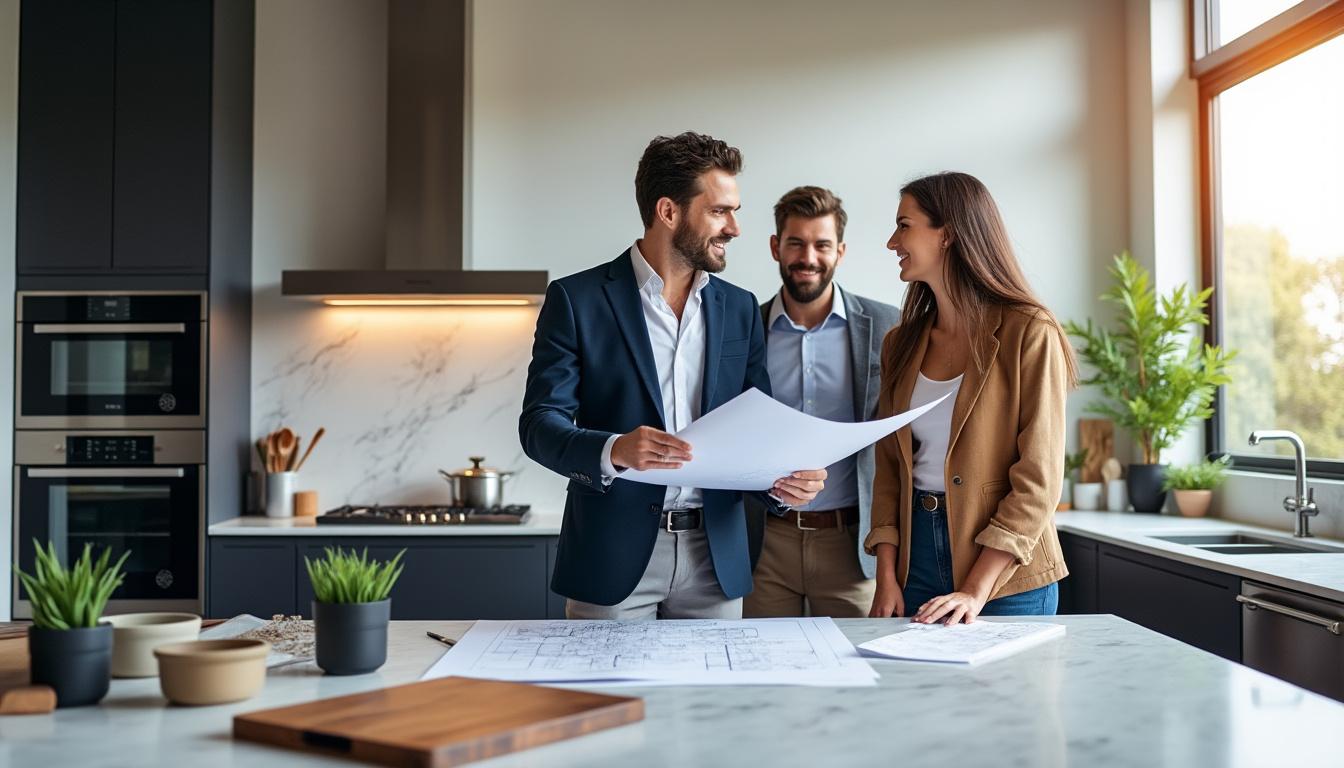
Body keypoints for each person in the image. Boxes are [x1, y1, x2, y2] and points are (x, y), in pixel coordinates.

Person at [519, 132, 827, 620]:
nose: (735, 228)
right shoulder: (577, 300)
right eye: (720, 211)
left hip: (717, 558)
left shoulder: (740, 307)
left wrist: (783, 481)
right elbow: (538, 425)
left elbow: (755, 429)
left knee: (711, 700)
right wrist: (614, 449)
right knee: (608, 697)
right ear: (669, 211)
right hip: (611, 558)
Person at [866, 171, 1075, 624]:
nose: (891, 242)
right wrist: (886, 574)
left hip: (1007, 572)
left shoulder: (1030, 332)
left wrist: (975, 590)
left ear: (949, 234)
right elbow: (888, 468)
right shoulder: (899, 343)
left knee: (1004, 698)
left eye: (904, 225)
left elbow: (1039, 479)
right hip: (914, 564)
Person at [743, 186, 900, 618]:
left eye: (821, 245)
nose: (807, 257)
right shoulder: (743, 329)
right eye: (795, 243)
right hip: (762, 546)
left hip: (853, 548)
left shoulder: (891, 327)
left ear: (840, 251)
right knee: (762, 679)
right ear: (776, 247)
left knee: (860, 677)